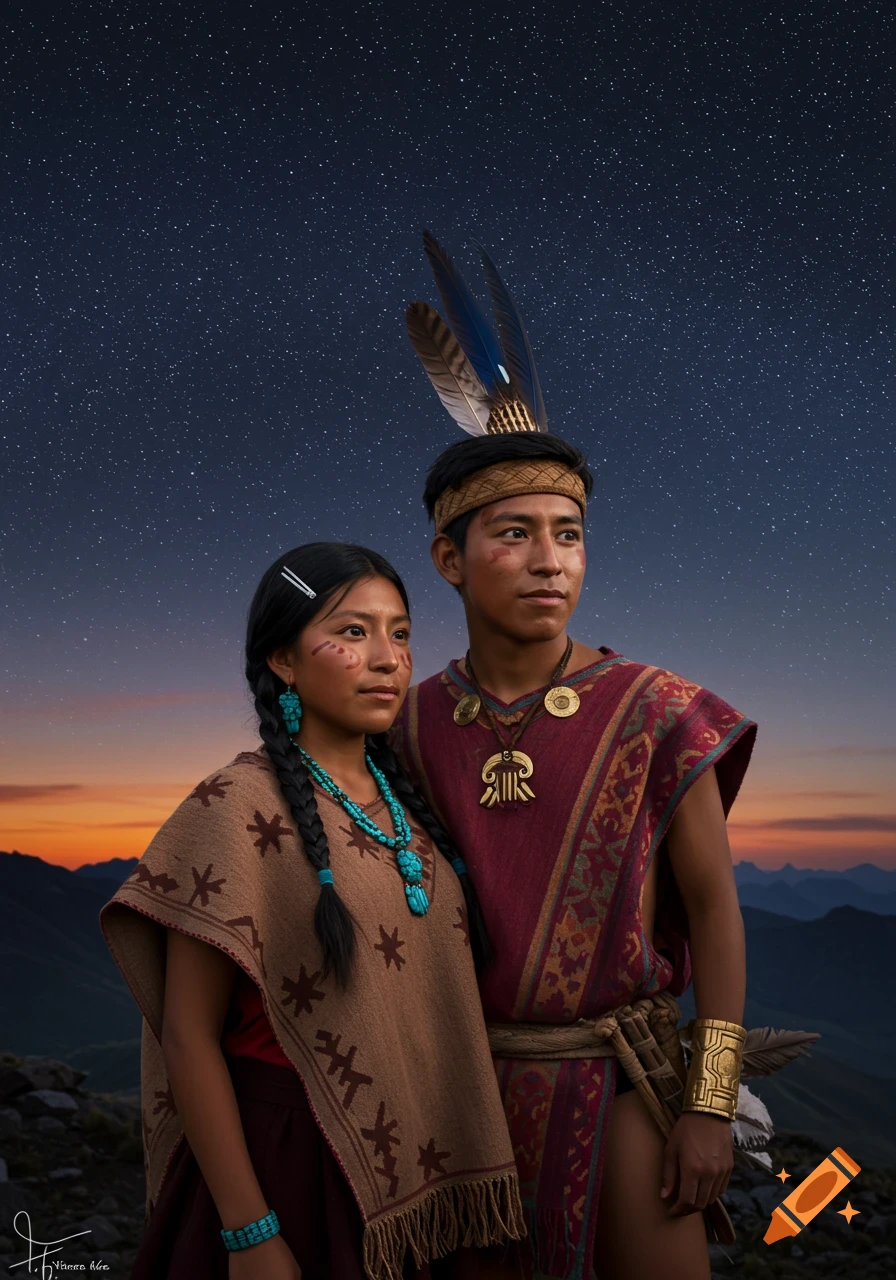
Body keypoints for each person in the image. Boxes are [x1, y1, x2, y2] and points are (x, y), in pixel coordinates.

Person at [392, 235, 760, 1280]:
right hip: (461, 1097)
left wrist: (709, 1100)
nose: (549, 558)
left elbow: (716, 909)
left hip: (628, 1077)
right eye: (513, 532)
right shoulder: (408, 724)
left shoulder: (658, 710)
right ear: (448, 558)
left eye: (569, 530)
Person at [100, 543, 526, 1280]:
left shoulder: (411, 807)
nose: (388, 658)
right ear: (283, 660)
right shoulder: (235, 808)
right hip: (290, 1160)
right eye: (353, 632)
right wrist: (250, 1232)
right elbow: (188, 1034)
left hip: (420, 1174)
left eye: (399, 633)